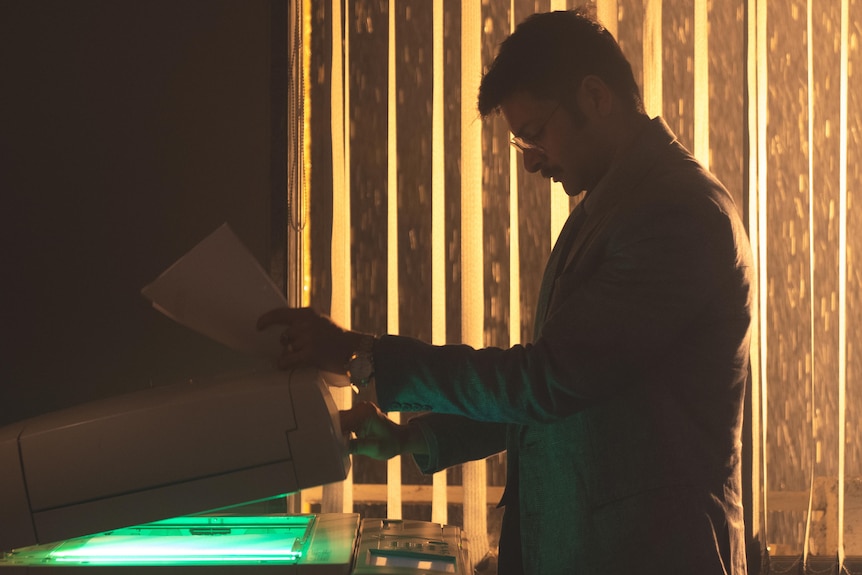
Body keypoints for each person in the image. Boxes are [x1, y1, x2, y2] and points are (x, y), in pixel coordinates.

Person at [258, 8, 752, 575]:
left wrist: (359, 354)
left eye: (537, 134)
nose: (532, 162)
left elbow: (549, 381)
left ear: (595, 97)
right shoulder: (608, 211)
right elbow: (565, 395)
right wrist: (410, 440)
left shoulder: (675, 215)